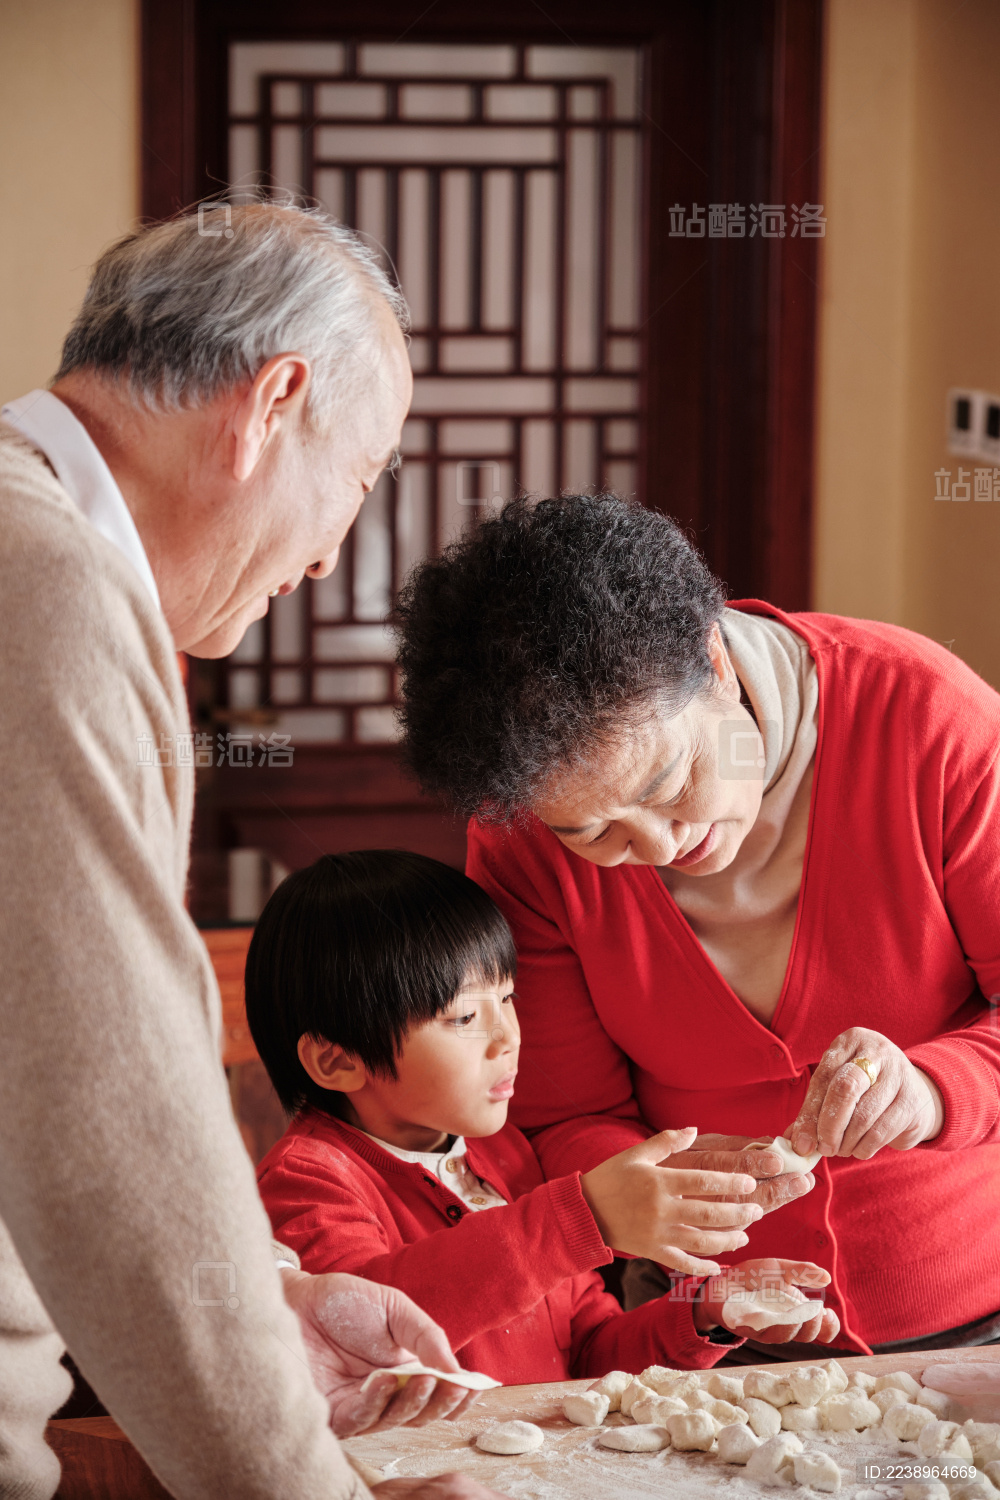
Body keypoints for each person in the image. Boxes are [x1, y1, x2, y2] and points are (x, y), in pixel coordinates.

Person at [0, 204, 506, 1500]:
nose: (335, 555)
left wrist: (274, 1302)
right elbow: (102, 1125)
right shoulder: (39, 578)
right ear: (271, 403)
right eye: (360, 479)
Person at [391, 491, 1000, 1360]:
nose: (660, 843)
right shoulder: (520, 839)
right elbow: (565, 1115)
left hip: (975, 1319)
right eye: (593, 832)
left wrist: (936, 1092)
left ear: (712, 660)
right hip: (700, 1334)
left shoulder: (931, 724)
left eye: (670, 783)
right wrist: (653, 1192)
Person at [247, 849, 839, 1381]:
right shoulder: (308, 1183)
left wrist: (703, 1309)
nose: (508, 1037)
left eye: (508, 999)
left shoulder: (502, 1155)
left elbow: (590, 1354)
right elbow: (367, 1330)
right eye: (463, 1019)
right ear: (338, 1060)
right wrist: (577, 1222)